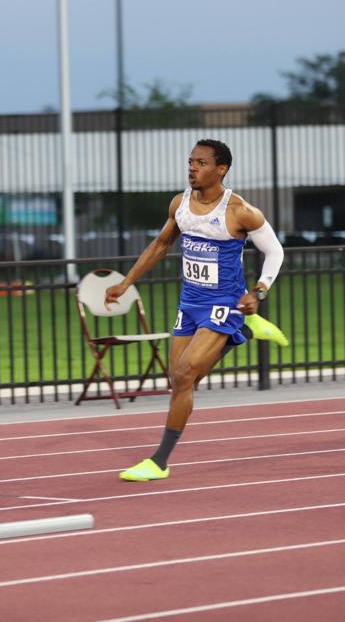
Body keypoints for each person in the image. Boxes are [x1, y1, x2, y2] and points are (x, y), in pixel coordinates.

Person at [105, 139, 287, 482]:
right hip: (189, 304)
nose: (192, 168)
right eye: (190, 161)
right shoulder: (180, 204)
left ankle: (159, 461)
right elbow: (161, 244)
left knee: (186, 374)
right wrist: (127, 282)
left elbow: (275, 252)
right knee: (180, 381)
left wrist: (259, 290)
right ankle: (245, 332)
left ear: (221, 170)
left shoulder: (240, 211)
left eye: (201, 163)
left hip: (224, 304)